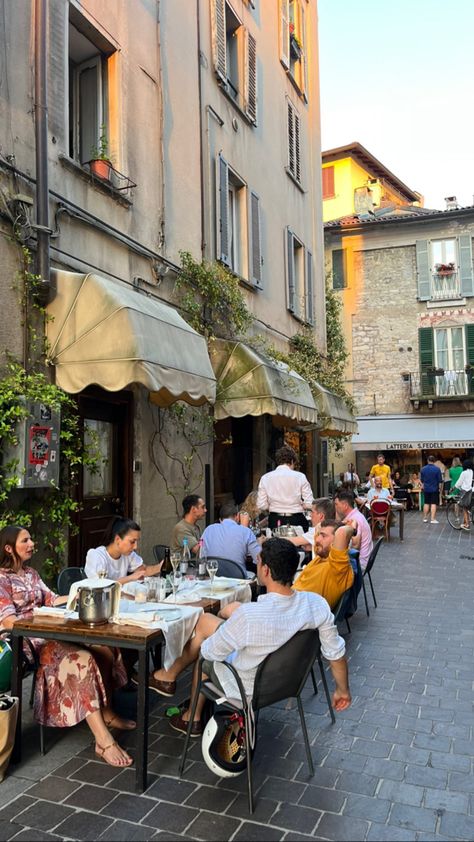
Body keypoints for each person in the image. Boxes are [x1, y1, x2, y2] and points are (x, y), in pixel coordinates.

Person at [145, 538, 351, 735]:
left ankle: (192, 716)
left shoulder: (249, 616)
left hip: (247, 686)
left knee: (204, 650)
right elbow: (335, 653)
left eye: (258, 561)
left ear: (266, 570)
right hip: (289, 681)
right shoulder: (317, 605)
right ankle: (178, 691)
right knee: (208, 622)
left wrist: (232, 619)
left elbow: (210, 652)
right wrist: (342, 690)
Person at [0, 526, 133, 767]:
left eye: (31, 539)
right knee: (83, 660)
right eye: (25, 541)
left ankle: (108, 713)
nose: (32, 544)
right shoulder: (1, 579)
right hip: (31, 642)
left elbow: (52, 600)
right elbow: (8, 620)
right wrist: (40, 619)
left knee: (106, 647)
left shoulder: (31, 573)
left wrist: (80, 592)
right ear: (9, 548)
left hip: (54, 633)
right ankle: (103, 741)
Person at [292, 520, 356, 609]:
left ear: (336, 540)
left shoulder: (337, 567)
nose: (317, 539)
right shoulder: (322, 555)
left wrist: (353, 528)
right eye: (319, 535)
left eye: (323, 536)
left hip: (300, 612)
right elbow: (318, 526)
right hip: (293, 601)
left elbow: (342, 532)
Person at [85, 518, 162, 584]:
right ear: (118, 539)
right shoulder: (97, 556)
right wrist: (130, 578)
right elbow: (100, 586)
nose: (135, 547)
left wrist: (160, 566)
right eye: (132, 542)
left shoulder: (128, 554)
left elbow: (142, 571)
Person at [257, 445, 313, 531]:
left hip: (275, 519)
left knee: (276, 544)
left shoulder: (265, 478)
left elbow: (261, 505)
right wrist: (302, 504)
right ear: (292, 461)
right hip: (296, 519)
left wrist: (273, 506)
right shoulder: (300, 477)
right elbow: (310, 503)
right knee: (299, 543)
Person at [201, 502, 260, 577]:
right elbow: (259, 559)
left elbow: (202, 555)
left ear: (220, 519)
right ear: (237, 516)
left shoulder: (208, 529)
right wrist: (260, 543)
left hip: (212, 575)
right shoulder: (246, 531)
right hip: (238, 577)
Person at [334, 489, 373, 571]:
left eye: (336, 504)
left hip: (359, 563)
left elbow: (353, 548)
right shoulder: (355, 515)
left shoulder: (354, 520)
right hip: (363, 559)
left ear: (345, 505)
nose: (335, 507)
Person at [420, 455, 443, 524]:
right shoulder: (437, 469)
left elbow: (422, 480)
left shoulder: (423, 469)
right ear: (434, 461)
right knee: (433, 503)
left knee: (426, 503)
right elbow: (440, 480)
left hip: (426, 489)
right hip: (434, 488)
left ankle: (425, 518)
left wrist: (422, 486)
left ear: (428, 460)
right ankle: (432, 519)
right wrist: (440, 489)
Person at [454, 459, 474, 531]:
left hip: (466, 492)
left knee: (464, 507)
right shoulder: (473, 472)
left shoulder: (464, 473)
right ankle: (468, 520)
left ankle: (467, 524)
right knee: (470, 506)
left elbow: (459, 482)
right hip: (473, 491)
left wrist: (453, 488)